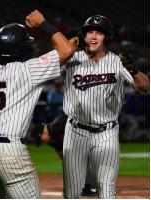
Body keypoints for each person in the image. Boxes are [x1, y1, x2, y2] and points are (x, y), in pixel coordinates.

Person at [0, 10, 76, 198]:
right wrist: (43, 23)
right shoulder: (29, 69)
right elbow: (67, 50)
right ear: (23, 48)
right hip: (8, 150)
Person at [61, 15, 149, 198]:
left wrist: (134, 70)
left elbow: (145, 87)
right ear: (83, 36)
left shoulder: (117, 62)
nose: (93, 37)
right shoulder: (71, 59)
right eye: (90, 32)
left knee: (106, 189)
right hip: (75, 131)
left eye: (98, 33)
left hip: (106, 132)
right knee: (72, 191)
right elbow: (43, 66)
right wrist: (66, 49)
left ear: (106, 37)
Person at [28, 114, 97, 196]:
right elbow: (62, 154)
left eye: (40, 139)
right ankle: (84, 184)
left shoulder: (57, 126)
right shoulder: (52, 139)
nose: (43, 142)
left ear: (43, 133)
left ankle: (90, 185)